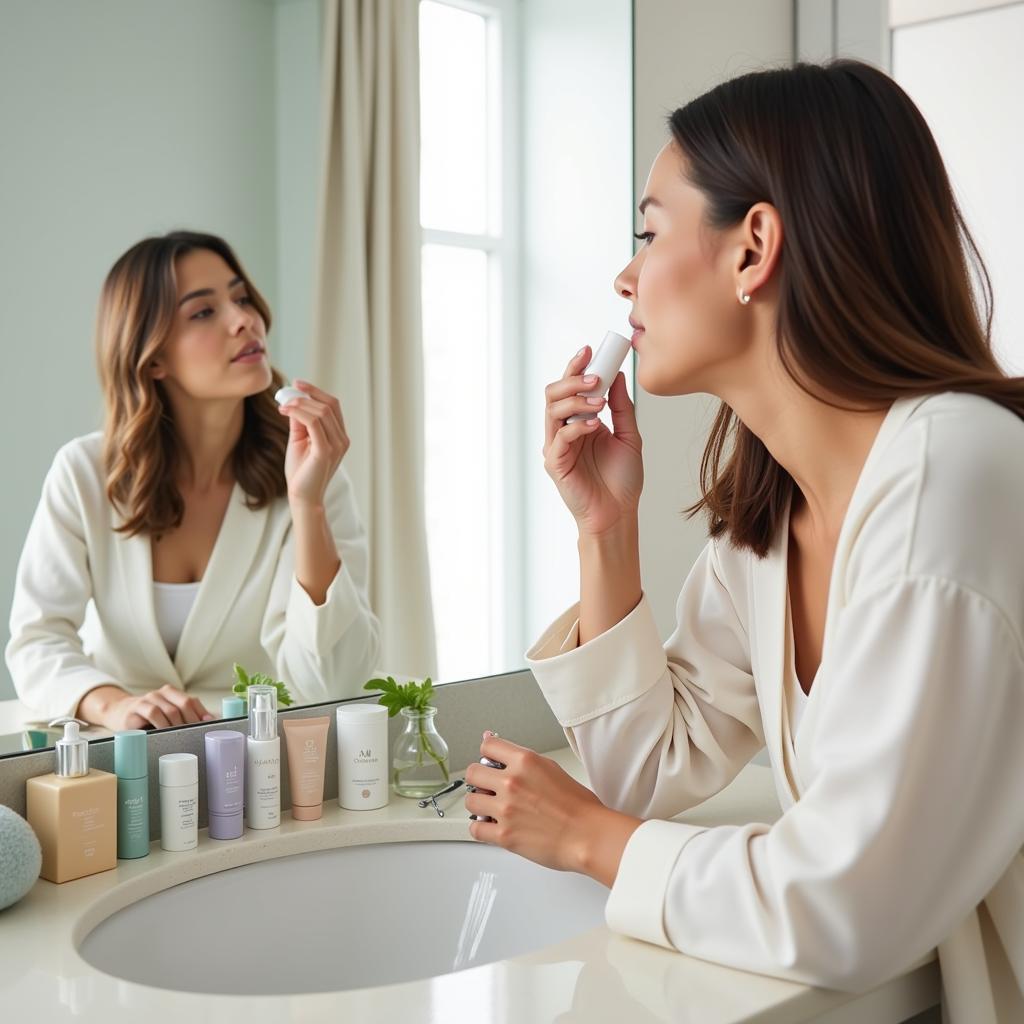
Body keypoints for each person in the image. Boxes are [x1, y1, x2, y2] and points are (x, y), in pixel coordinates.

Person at [465, 60, 1024, 1021]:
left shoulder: (956, 474)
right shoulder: (771, 526)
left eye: (649, 231)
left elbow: (849, 906)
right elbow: (650, 767)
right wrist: (606, 530)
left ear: (753, 245)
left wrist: (593, 841)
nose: (625, 275)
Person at [6, 231, 380, 730]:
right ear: (152, 356)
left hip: (256, 766)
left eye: (242, 298)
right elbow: (36, 642)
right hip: (119, 762)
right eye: (203, 312)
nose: (245, 319)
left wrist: (307, 504)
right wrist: (113, 703)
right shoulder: (83, 473)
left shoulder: (311, 473)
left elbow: (333, 684)